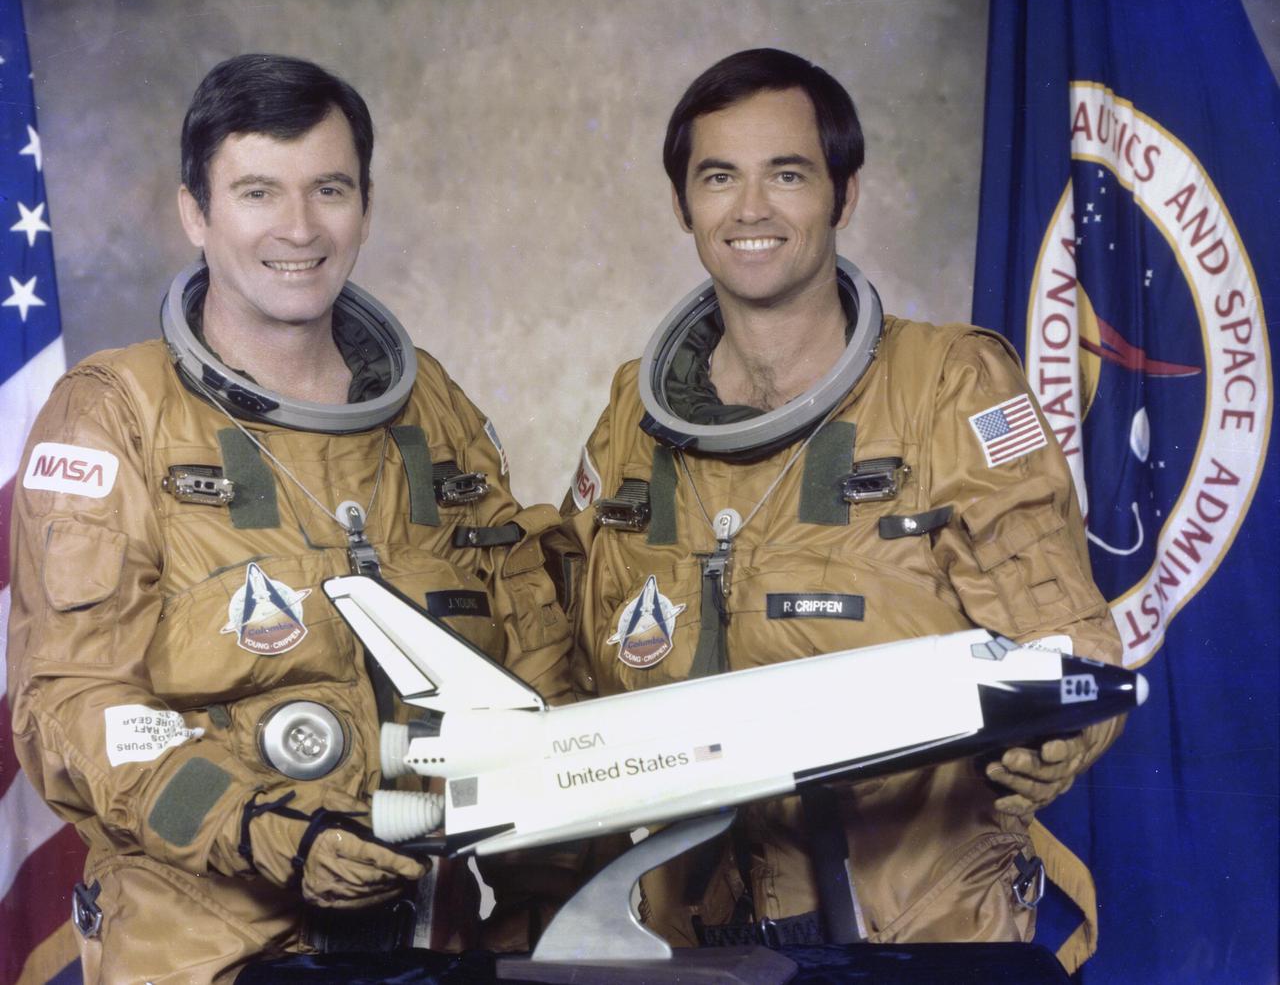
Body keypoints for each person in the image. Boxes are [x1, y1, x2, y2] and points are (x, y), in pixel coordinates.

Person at [6, 54, 572, 984]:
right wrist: (266, 827)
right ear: (196, 211)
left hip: (433, 944)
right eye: (258, 192)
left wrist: (546, 897)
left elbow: (536, 658)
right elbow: (76, 708)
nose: (299, 229)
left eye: (329, 190)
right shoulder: (116, 413)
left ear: (366, 202)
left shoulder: (431, 409)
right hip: (200, 955)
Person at [556, 48, 1124, 955]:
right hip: (693, 936)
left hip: (926, 931)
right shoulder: (636, 413)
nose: (750, 210)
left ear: (843, 194)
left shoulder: (948, 386)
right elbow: (565, 641)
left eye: (787, 174)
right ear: (682, 204)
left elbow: (1072, 637)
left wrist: (1057, 733)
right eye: (718, 178)